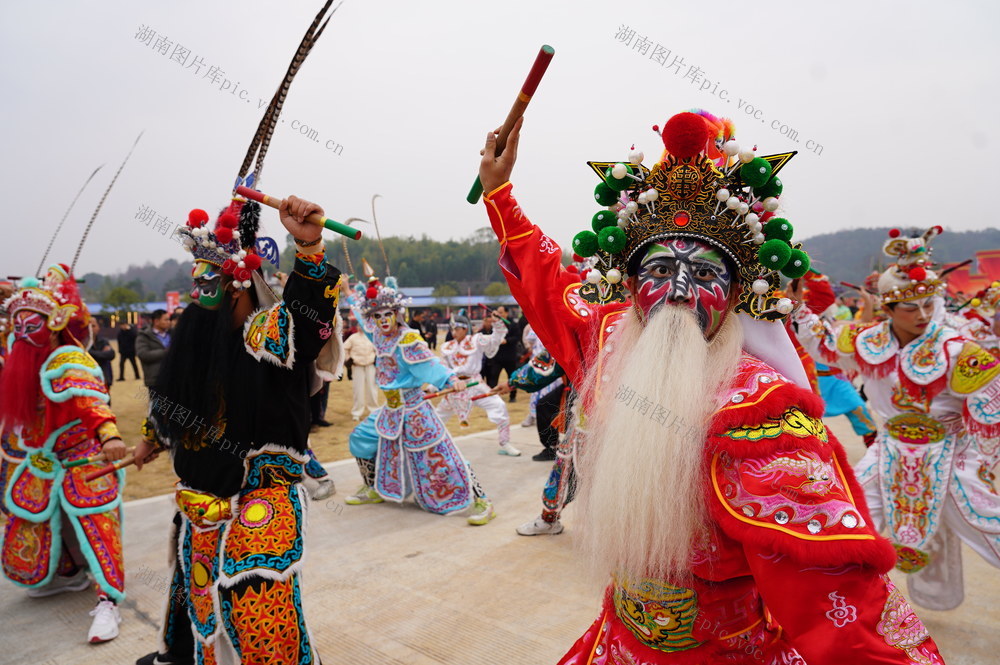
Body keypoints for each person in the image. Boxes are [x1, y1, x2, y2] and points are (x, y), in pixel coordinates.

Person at [478, 110, 943, 662]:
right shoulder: (609, 342)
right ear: (628, 283)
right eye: (656, 271)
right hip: (618, 640)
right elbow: (547, 283)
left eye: (703, 275)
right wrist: (499, 192)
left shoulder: (760, 411)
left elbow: (833, 589)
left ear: (737, 292)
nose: (676, 290)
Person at [133, 195, 340, 665]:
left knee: (256, 608)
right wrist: (150, 437)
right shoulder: (198, 342)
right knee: (196, 604)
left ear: (242, 285)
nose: (207, 294)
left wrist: (307, 247)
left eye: (218, 282)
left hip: (259, 502)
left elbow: (308, 327)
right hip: (200, 505)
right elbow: (173, 400)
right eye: (200, 282)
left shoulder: (268, 334)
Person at [793, 227, 1000, 611]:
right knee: (848, 520)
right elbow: (822, 341)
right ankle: (837, 612)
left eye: (928, 304)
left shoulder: (959, 351)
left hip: (949, 455)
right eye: (911, 307)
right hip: (887, 451)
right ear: (886, 308)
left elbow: (994, 407)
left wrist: (984, 455)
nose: (923, 315)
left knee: (988, 524)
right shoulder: (868, 341)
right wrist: (796, 305)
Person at [0, 264, 128, 644]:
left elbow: (91, 402)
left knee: (97, 527)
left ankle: (109, 601)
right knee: (39, 518)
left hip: (84, 458)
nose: (23, 333)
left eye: (31, 325)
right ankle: (67, 575)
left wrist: (108, 437)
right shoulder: (17, 357)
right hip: (42, 461)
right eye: (17, 326)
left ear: (53, 323)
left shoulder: (65, 359)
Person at [344, 277, 496, 525]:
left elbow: (430, 365)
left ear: (397, 314)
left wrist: (450, 379)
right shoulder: (379, 336)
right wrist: (348, 292)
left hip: (415, 411)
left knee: (446, 455)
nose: (382, 320)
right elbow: (362, 318)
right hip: (390, 411)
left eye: (387, 315)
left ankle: (483, 500)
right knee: (360, 438)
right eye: (378, 316)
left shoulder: (408, 339)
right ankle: (371, 486)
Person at [436, 313, 521, 456]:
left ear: (465, 328)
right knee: (438, 416)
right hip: (455, 386)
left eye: (457, 329)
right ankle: (433, 444)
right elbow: (442, 369)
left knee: (499, 406)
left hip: (475, 384)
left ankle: (504, 442)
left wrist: (497, 323)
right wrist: (433, 387)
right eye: (452, 329)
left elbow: (496, 338)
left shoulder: (476, 340)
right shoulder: (447, 346)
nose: (454, 332)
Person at [483, 304, 521, 402]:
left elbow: (517, 337)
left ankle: (513, 396)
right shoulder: (495, 325)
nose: (499, 314)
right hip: (497, 356)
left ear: (506, 313)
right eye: (498, 312)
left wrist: (507, 341)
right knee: (493, 377)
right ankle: (492, 396)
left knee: (512, 377)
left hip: (510, 356)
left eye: (501, 312)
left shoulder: (513, 324)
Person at [342, 321, 380, 421]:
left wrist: (377, 359)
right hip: (357, 365)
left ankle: (374, 410)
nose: (361, 327)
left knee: (372, 389)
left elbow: (378, 349)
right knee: (358, 389)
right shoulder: (353, 337)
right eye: (359, 325)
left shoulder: (372, 337)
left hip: (370, 365)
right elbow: (344, 348)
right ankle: (357, 412)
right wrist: (348, 359)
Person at [136, 309, 170, 389]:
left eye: (169, 319)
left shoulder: (173, 334)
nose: (169, 322)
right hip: (155, 379)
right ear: (156, 321)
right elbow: (143, 354)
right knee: (159, 401)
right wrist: (166, 352)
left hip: (174, 378)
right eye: (166, 319)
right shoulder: (144, 336)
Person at [88, 318, 116, 392]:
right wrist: (102, 354)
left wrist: (94, 354)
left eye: (93, 326)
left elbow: (111, 354)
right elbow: (87, 354)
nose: (91, 328)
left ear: (98, 328)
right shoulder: (82, 344)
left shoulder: (103, 341)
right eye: (88, 326)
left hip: (105, 380)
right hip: (88, 382)